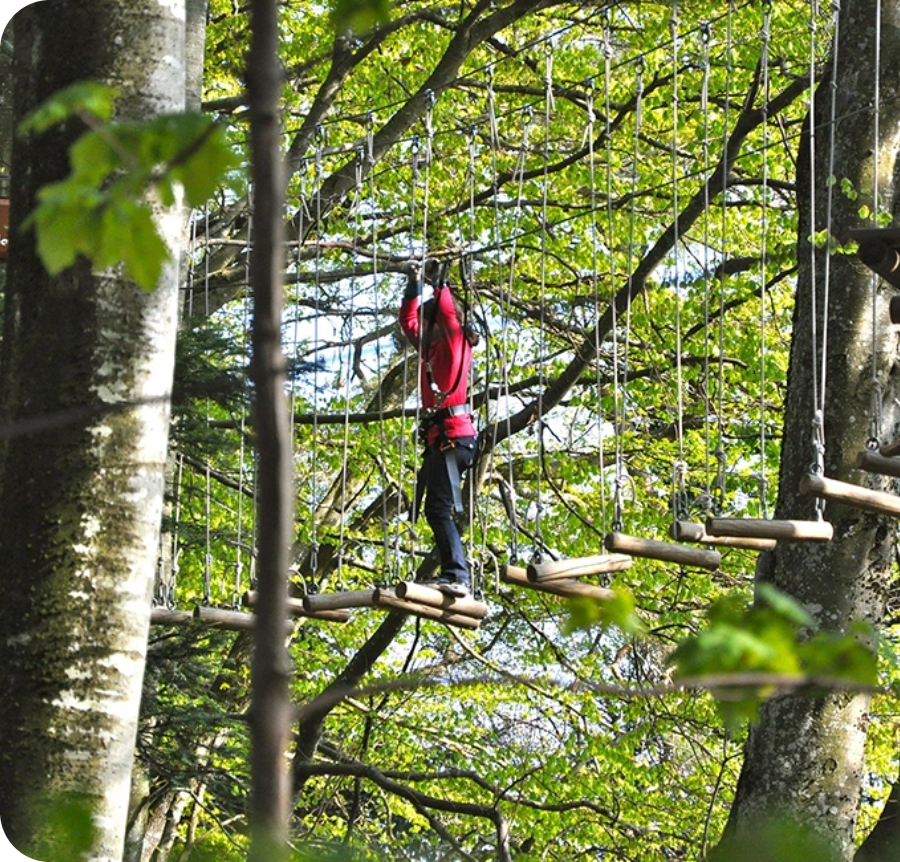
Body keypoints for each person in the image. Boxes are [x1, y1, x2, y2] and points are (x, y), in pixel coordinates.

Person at [399, 261, 478, 597]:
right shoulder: (431, 349)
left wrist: (435, 281)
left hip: (454, 438)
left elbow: (445, 312)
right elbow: (408, 322)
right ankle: (454, 574)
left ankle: (457, 575)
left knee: (437, 508)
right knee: (434, 509)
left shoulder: (454, 341)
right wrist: (413, 282)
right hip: (441, 440)